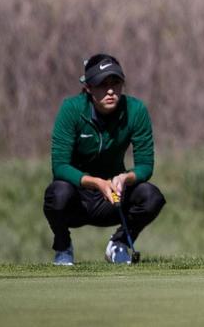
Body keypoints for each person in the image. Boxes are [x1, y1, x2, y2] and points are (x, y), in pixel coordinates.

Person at [43, 54, 165, 265]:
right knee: (57, 194)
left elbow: (146, 165)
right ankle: (63, 248)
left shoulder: (136, 111)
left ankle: (119, 243)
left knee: (152, 196)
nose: (110, 91)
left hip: (114, 199)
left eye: (115, 83)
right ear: (89, 88)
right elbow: (60, 166)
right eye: (102, 84)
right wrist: (96, 183)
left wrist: (126, 178)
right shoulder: (71, 109)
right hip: (77, 200)